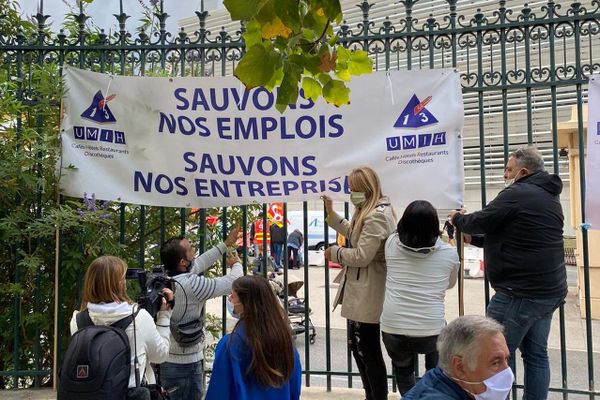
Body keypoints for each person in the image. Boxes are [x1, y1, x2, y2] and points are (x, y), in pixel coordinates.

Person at [449, 146, 567, 400]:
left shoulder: (518, 192)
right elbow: (511, 234)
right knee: (536, 355)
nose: (505, 174)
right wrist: (476, 241)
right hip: (547, 291)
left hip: (519, 293)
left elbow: (481, 220)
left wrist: (458, 219)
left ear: (523, 171)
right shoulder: (547, 194)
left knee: (493, 353)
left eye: (508, 169)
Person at [322, 166, 397, 400]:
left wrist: (335, 253)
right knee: (359, 347)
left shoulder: (376, 214)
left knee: (367, 349)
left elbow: (362, 255)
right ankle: (371, 395)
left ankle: (377, 396)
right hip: (361, 287)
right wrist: (332, 215)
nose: (351, 192)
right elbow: (356, 232)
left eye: (354, 189)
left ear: (366, 188)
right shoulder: (368, 209)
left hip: (369, 288)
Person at [381, 200, 460, 396]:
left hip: (393, 326)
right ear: (435, 225)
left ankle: (410, 397)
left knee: (403, 369)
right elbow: (449, 284)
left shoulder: (390, 245)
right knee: (435, 373)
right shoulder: (449, 253)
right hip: (431, 327)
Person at [159, 228, 243, 400]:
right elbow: (232, 282)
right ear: (182, 262)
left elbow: (199, 263)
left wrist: (225, 244)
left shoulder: (163, 279)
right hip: (187, 365)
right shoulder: (193, 285)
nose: (194, 251)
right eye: (190, 250)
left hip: (166, 360)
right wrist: (236, 264)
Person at [69, 256, 172, 388]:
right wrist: (164, 316)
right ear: (120, 285)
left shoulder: (78, 320)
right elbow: (160, 355)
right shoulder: (139, 318)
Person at [205, 275, 302, 400]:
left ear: (245, 302)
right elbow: (294, 386)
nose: (230, 299)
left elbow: (219, 391)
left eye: (233, 296)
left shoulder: (230, 345)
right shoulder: (285, 340)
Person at [404, 315, 513, 400]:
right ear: (460, 367)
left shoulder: (443, 380)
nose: (507, 372)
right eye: (495, 363)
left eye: (506, 359)